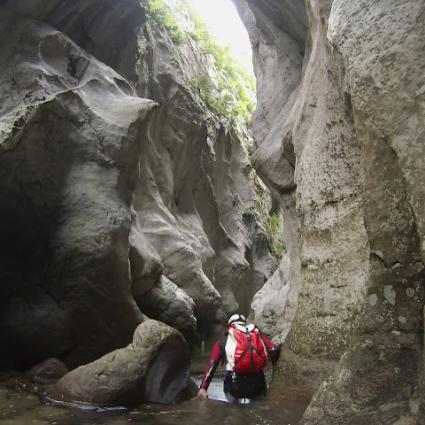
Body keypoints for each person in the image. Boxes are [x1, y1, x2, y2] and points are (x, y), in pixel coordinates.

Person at [197, 314, 280, 402]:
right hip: (257, 384)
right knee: (258, 410)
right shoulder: (256, 334)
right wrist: (275, 369)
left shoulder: (224, 339)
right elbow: (273, 349)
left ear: (230, 326)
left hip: (234, 385)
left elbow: (212, 364)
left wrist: (203, 388)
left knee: (234, 410)